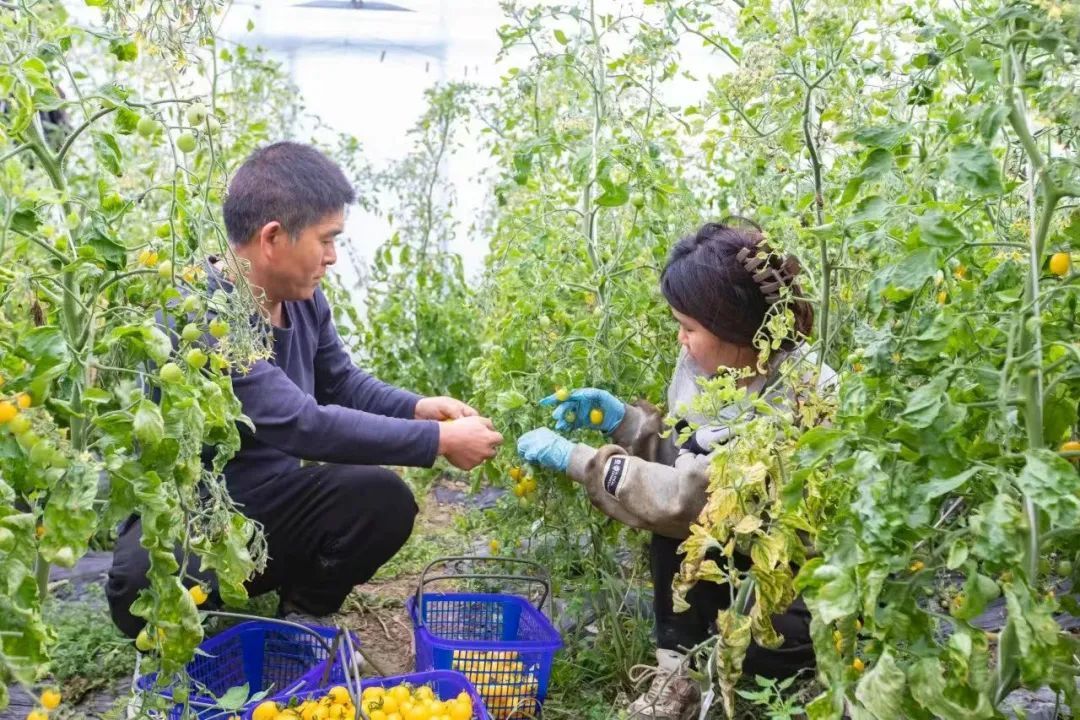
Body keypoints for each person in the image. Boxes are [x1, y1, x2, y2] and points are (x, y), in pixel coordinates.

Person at [106, 142, 503, 636]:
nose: (333, 257)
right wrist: (439, 441)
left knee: (382, 500)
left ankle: (304, 613)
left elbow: (341, 383)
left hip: (274, 504)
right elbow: (303, 424)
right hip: (197, 513)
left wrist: (419, 408)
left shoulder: (303, 299)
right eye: (326, 239)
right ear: (272, 237)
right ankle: (197, 601)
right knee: (139, 590)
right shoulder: (201, 318)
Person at [516, 220, 836, 720]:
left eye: (689, 327)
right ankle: (676, 676)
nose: (681, 339)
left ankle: (785, 673)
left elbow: (688, 498)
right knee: (677, 540)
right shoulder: (707, 366)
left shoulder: (800, 396)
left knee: (766, 640)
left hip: (799, 576)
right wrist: (626, 423)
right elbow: (687, 452)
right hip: (737, 545)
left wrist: (579, 460)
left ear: (736, 327)